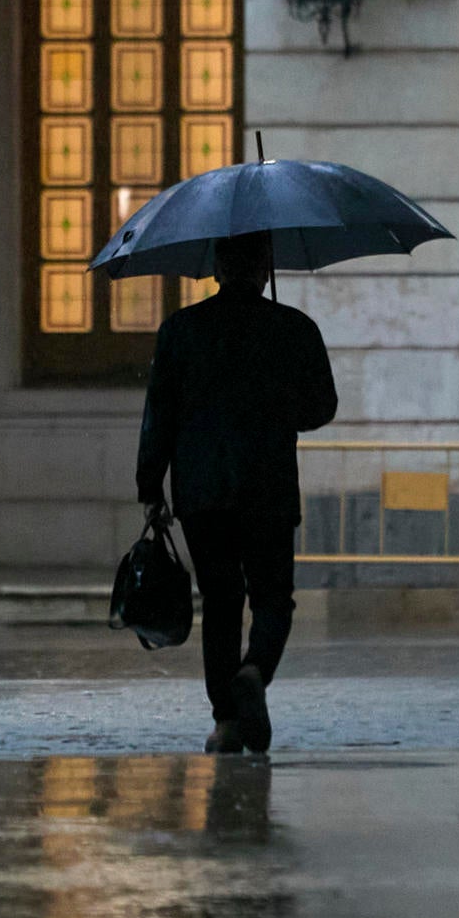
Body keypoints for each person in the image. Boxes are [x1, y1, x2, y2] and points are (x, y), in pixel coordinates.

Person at [136, 231, 338, 754]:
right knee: (274, 598)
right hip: (268, 486)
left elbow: (159, 414)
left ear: (218, 270)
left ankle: (226, 721)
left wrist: (149, 484)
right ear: (265, 270)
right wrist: (276, 408)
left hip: (202, 491)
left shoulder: (180, 330)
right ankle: (254, 671)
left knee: (222, 604)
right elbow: (322, 408)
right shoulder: (294, 329)